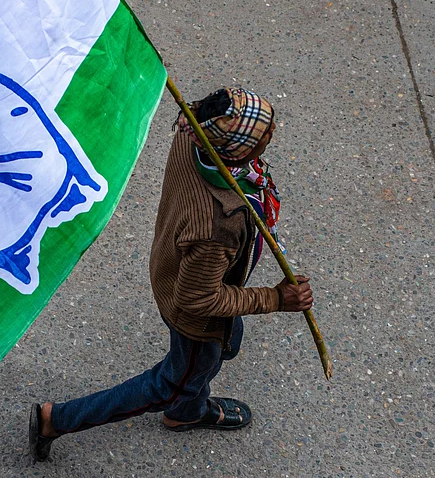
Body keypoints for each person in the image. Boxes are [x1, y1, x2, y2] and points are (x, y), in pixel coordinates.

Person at [29, 87, 314, 461]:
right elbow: (197, 298)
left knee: (225, 347)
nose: (273, 132)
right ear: (239, 152)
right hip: (194, 313)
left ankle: (187, 407)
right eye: (264, 133)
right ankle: (58, 420)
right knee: (175, 381)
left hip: (174, 267)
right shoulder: (219, 224)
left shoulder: (192, 132)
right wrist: (276, 299)